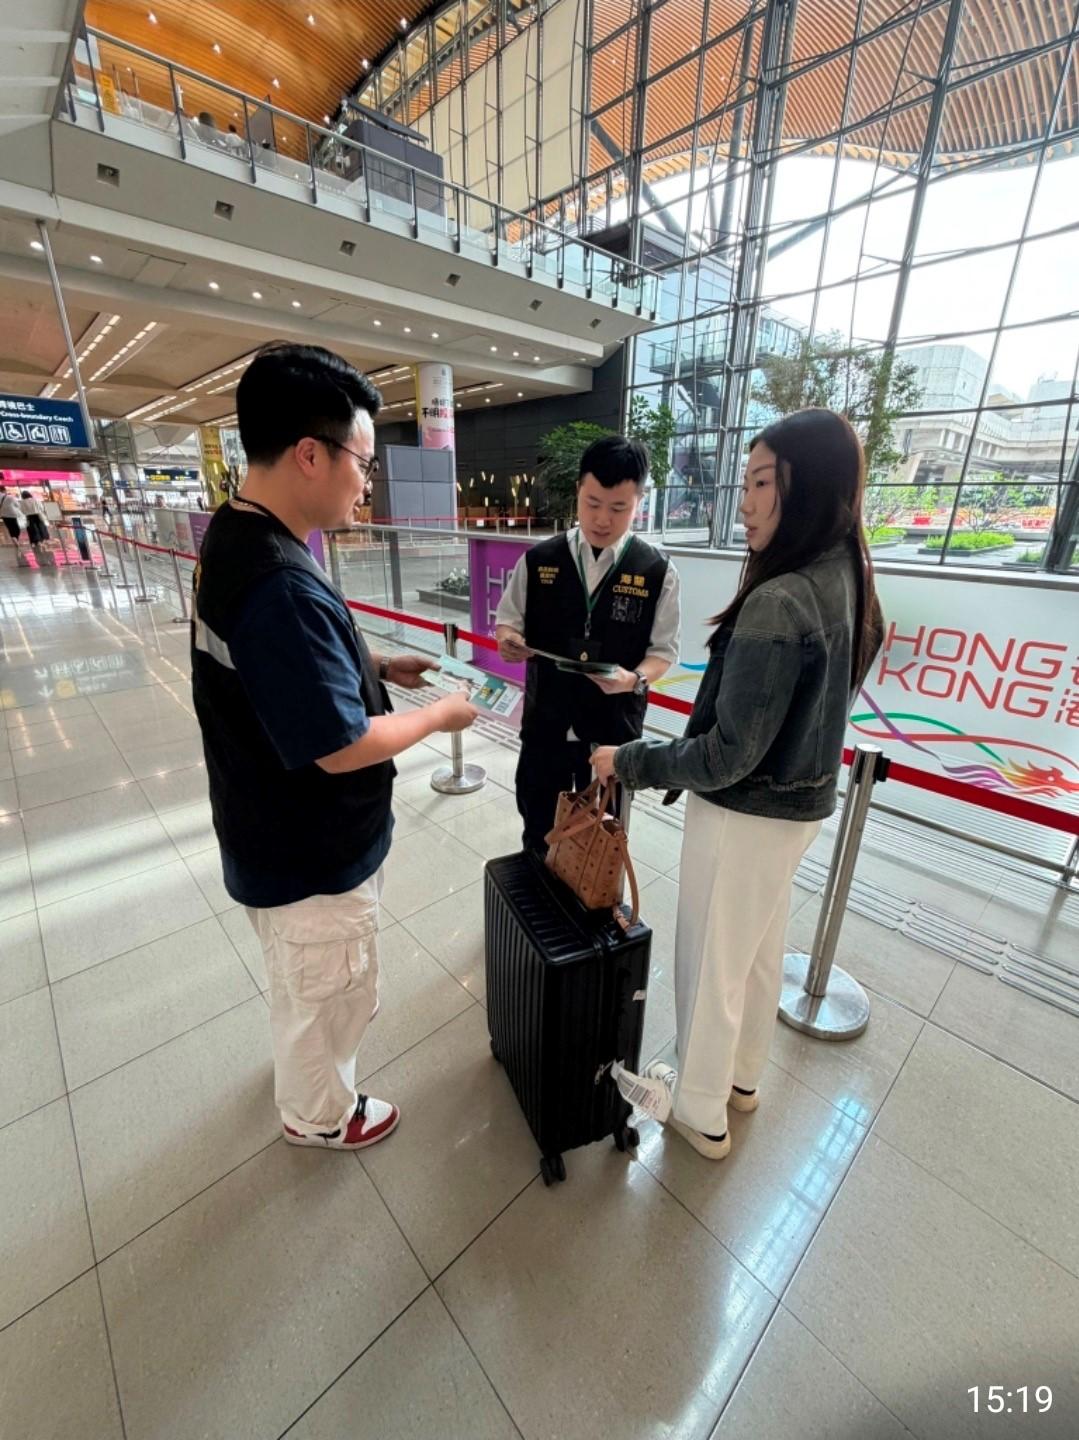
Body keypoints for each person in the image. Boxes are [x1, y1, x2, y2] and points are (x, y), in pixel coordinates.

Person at [191, 343, 478, 1152]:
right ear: (309, 455)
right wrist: (437, 716)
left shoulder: (240, 534)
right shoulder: (278, 581)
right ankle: (318, 1114)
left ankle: (303, 1064)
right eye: (361, 457)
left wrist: (378, 664)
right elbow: (341, 745)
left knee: (304, 986)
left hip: (265, 826)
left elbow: (280, 677)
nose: (368, 479)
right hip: (307, 850)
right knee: (327, 993)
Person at [592, 408, 883, 1161]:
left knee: (710, 962)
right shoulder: (846, 574)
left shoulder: (779, 600)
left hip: (743, 814)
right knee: (754, 953)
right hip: (798, 811)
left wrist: (626, 761)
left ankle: (698, 1111)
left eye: (761, 483)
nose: (745, 502)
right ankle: (740, 1083)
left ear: (805, 487)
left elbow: (725, 755)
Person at [495, 435, 681, 852]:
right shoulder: (540, 558)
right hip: (547, 724)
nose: (602, 519)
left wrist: (634, 678)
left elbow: (663, 652)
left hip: (613, 732)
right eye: (592, 503)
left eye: (619, 508)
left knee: (602, 841)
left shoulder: (656, 570)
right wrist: (508, 641)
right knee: (539, 828)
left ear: (639, 502)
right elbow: (507, 623)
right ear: (578, 491)